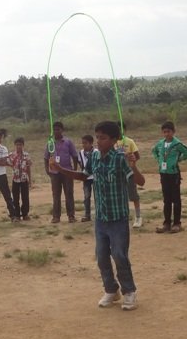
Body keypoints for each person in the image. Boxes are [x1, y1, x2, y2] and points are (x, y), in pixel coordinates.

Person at [53, 121, 145, 311]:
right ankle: (111, 289)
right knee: (102, 256)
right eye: (97, 137)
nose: (98, 141)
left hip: (118, 218)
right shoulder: (94, 157)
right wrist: (60, 169)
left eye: (103, 138)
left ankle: (129, 291)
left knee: (119, 255)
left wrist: (133, 166)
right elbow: (83, 175)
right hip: (101, 218)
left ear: (114, 140)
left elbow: (141, 181)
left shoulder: (120, 159)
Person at [152, 121, 187, 233]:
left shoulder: (177, 144)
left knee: (176, 199)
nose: (167, 134)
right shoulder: (160, 143)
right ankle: (166, 223)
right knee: (166, 200)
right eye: (164, 132)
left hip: (174, 174)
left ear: (173, 132)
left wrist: (178, 159)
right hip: (163, 173)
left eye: (169, 131)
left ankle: (177, 223)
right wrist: (159, 160)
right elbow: (154, 151)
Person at [44, 122, 79, 223]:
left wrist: (74, 170)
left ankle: (71, 216)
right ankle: (56, 216)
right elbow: (46, 157)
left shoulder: (68, 142)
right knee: (56, 195)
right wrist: (47, 170)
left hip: (67, 172)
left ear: (62, 130)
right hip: (54, 173)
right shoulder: (50, 143)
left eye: (58, 129)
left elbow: (74, 156)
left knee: (69, 194)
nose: (56, 131)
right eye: (54, 129)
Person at [8, 137, 33, 221]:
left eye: (20, 145)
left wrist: (30, 180)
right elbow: (9, 164)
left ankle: (25, 214)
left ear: (23, 145)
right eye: (17, 145)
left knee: (25, 197)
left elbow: (28, 168)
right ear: (15, 145)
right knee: (15, 198)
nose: (19, 146)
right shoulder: (12, 155)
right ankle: (17, 215)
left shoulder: (26, 155)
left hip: (24, 179)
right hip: (15, 179)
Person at [78, 135, 98, 222]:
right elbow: (80, 163)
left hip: (96, 177)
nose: (83, 145)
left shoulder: (96, 152)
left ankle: (99, 214)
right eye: (83, 143)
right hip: (86, 178)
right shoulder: (81, 153)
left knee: (97, 196)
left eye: (85, 143)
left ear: (91, 143)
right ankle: (87, 215)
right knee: (86, 197)